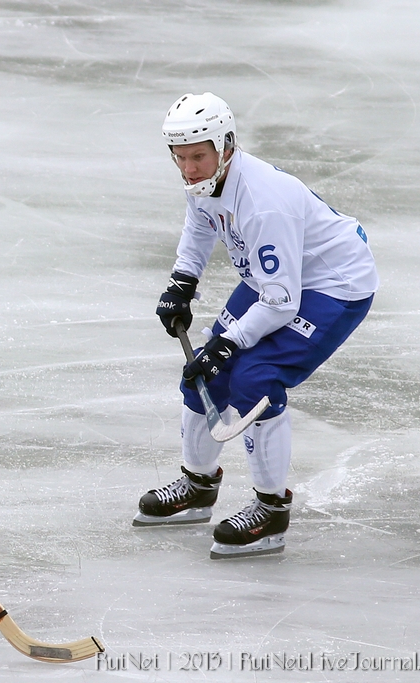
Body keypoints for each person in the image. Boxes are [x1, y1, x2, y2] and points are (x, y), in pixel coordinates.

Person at [134, 92, 378, 559]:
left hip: (332, 284)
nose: (188, 169)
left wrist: (229, 341)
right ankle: (197, 486)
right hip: (277, 278)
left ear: (225, 145)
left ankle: (271, 511)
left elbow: (281, 303)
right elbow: (201, 225)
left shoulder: (264, 203)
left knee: (254, 377)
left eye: (198, 156)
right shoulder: (209, 180)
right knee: (205, 372)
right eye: (179, 158)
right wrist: (182, 282)